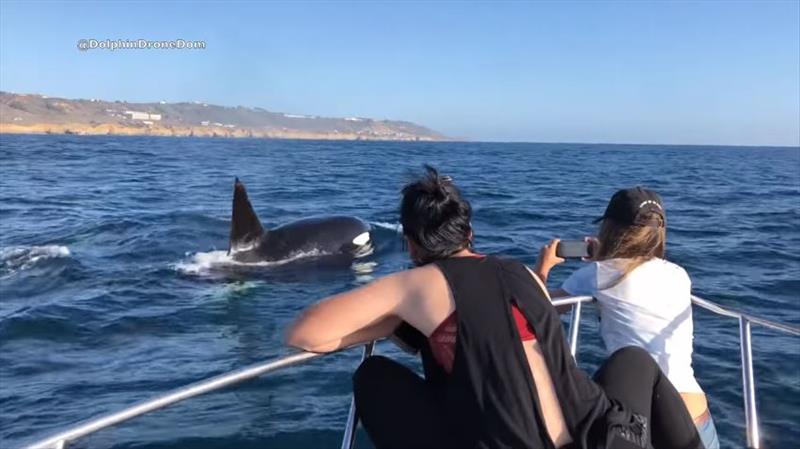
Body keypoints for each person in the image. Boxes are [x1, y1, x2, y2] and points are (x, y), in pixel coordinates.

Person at [286, 168, 703, 449]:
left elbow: (305, 333)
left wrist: (389, 321)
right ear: (470, 233)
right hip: (593, 435)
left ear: (411, 245)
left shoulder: (414, 283)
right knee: (635, 361)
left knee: (373, 376)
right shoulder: (520, 274)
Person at [535, 187, 719, 449]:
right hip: (695, 415)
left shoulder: (597, 274)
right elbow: (636, 274)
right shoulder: (678, 274)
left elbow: (542, 307)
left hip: (645, 422)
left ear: (610, 228)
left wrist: (543, 267)